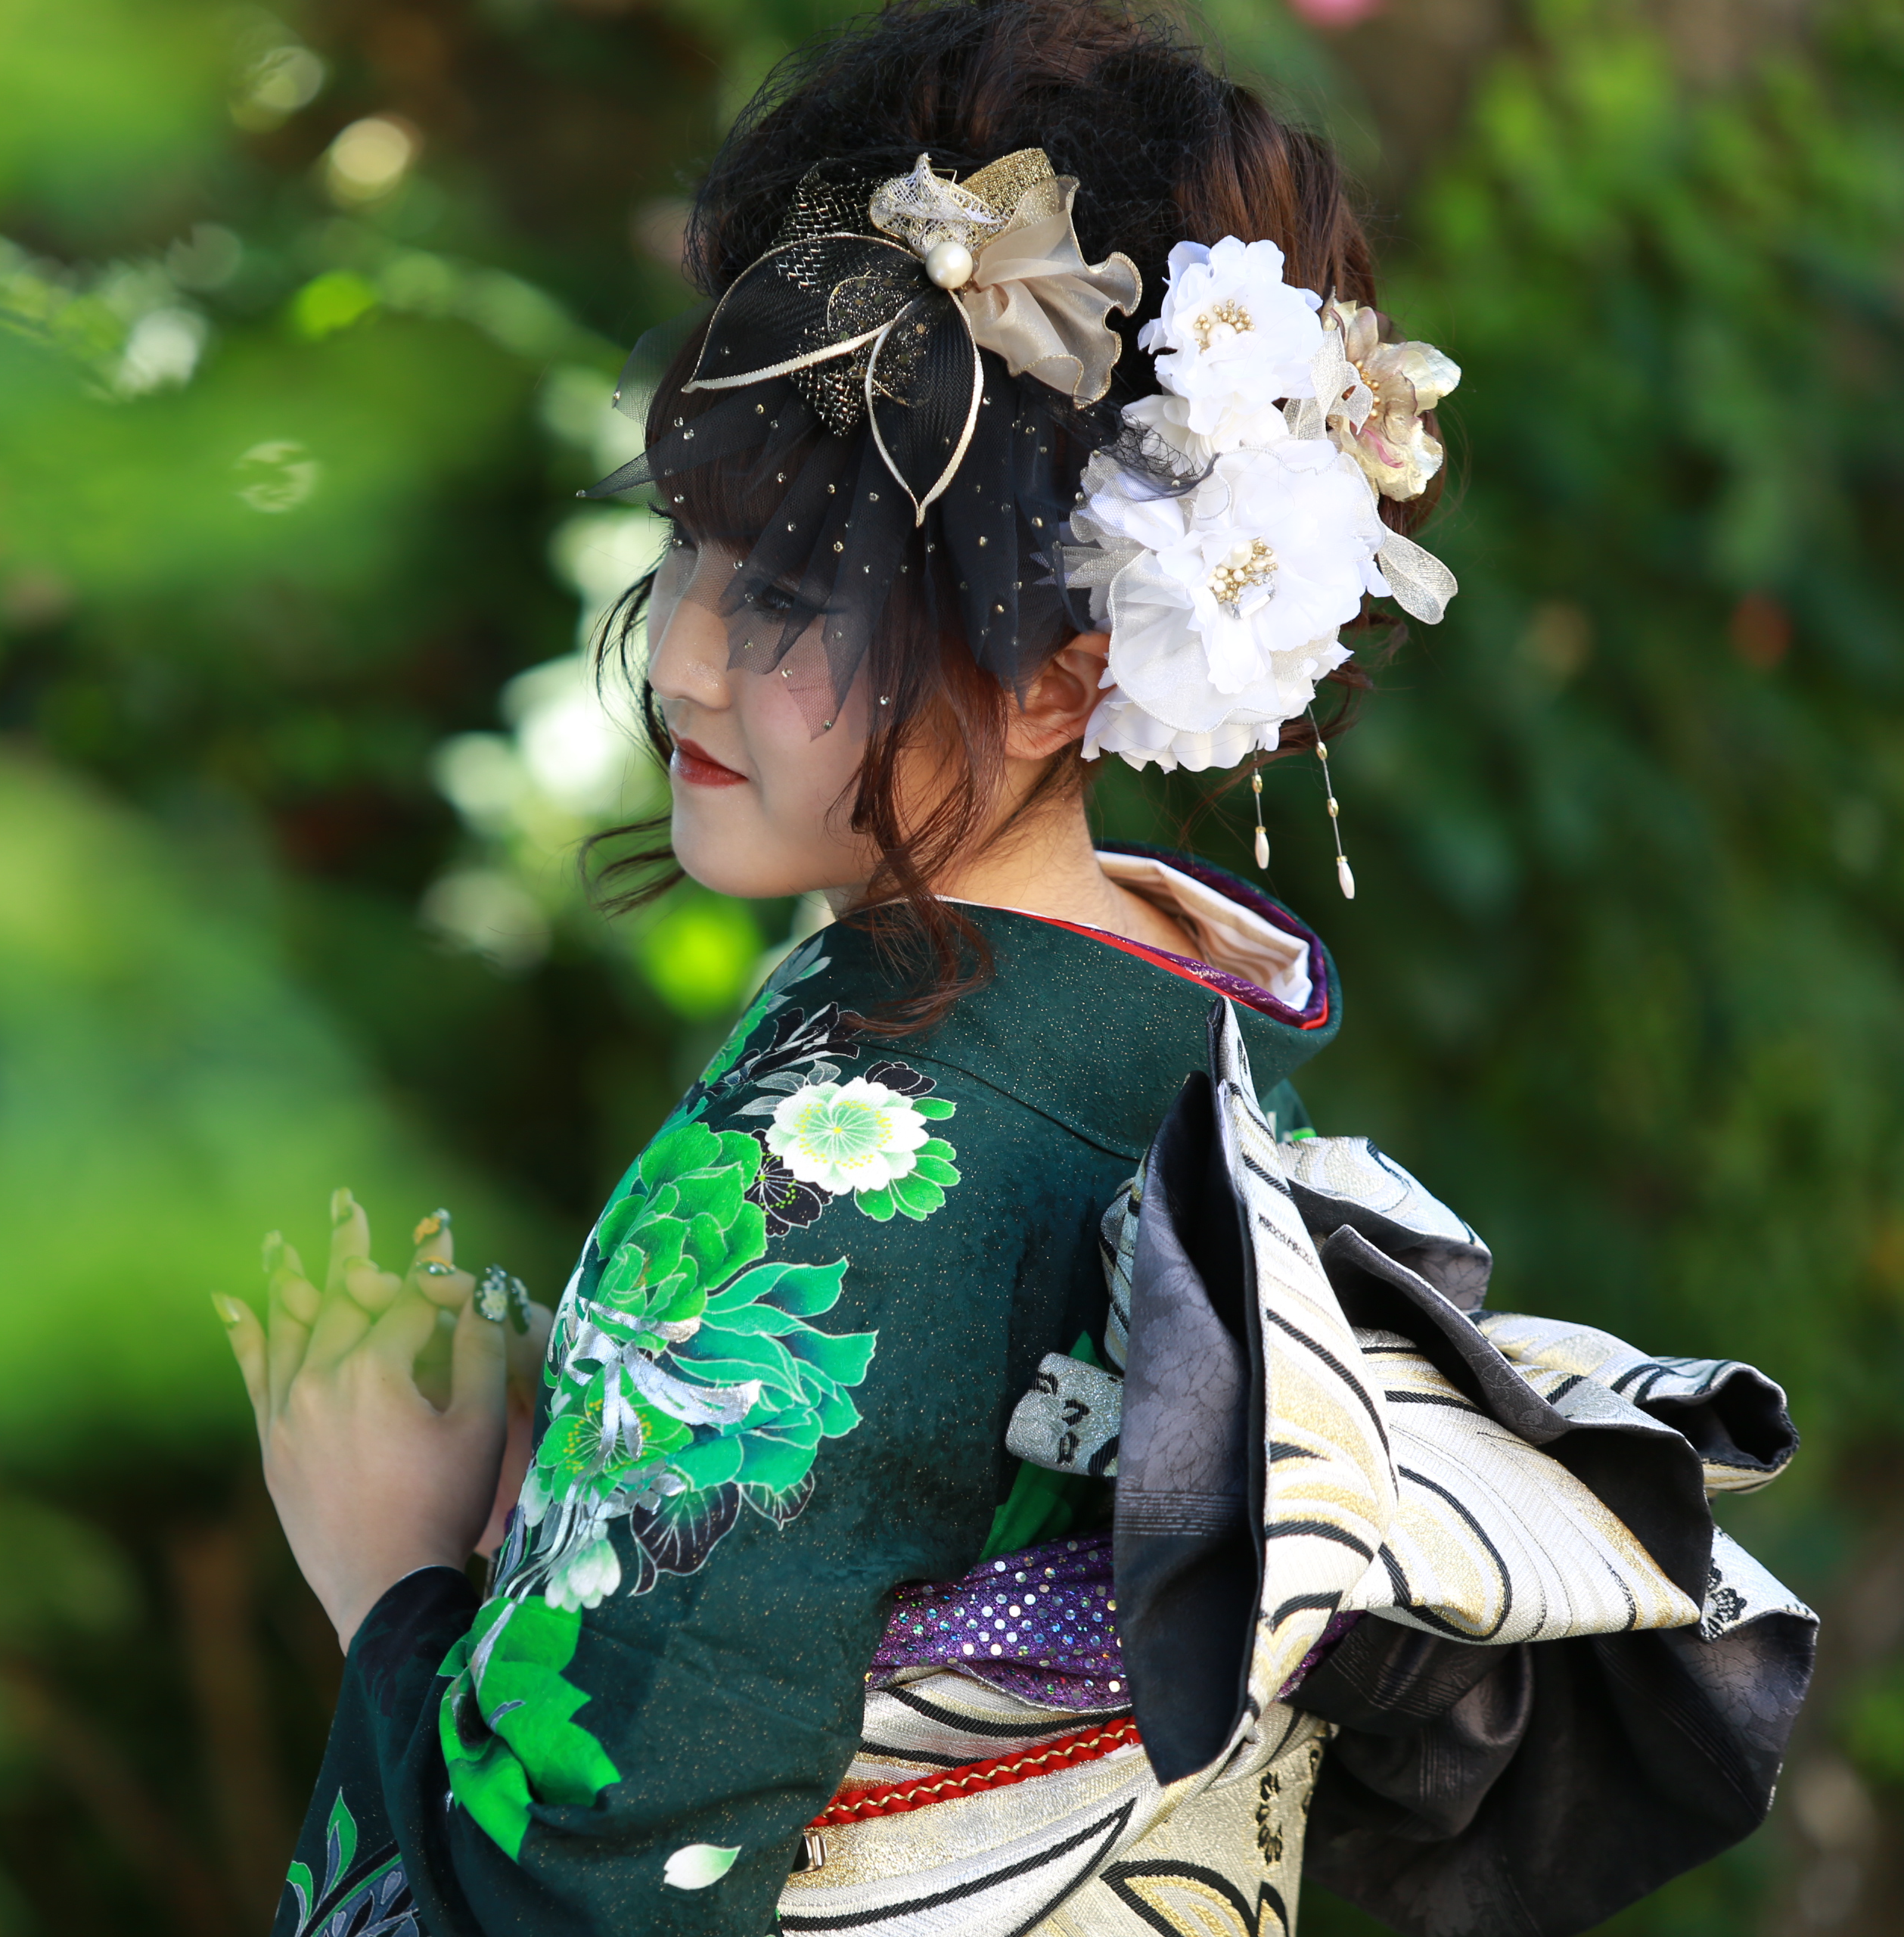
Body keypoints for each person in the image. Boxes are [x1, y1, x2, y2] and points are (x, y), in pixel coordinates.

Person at [215, 5, 1812, 1932]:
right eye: (690, 541)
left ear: (1069, 672)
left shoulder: (825, 1178)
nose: (688, 656)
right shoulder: (1190, 1027)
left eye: (793, 591)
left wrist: (394, 1576)